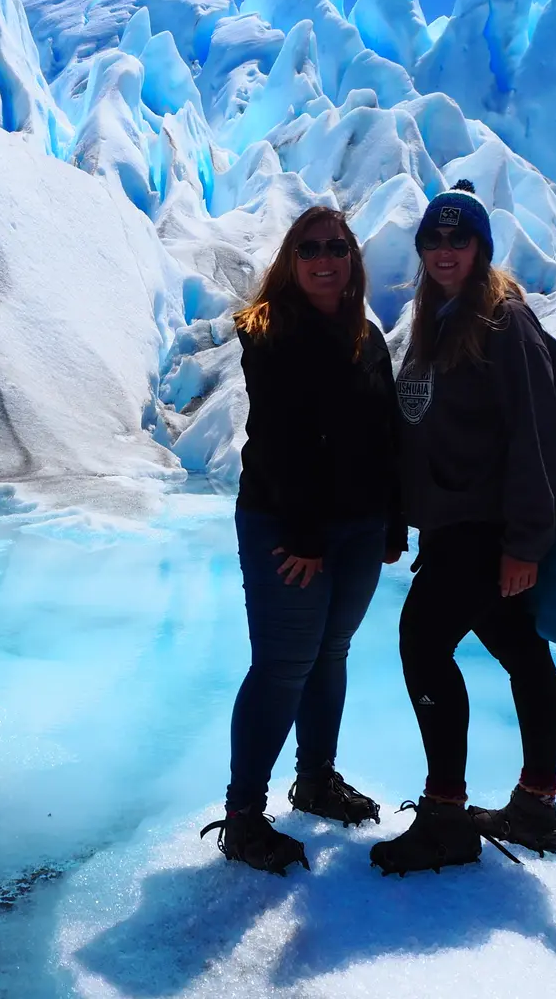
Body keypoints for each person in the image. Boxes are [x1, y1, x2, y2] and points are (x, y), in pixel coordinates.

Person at [369, 180, 556, 878]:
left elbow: (533, 432)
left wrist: (525, 542)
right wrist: (400, 517)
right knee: (520, 651)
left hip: (485, 532)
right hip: (455, 527)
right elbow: (417, 434)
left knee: (423, 648)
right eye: (434, 239)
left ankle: (446, 818)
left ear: (482, 246)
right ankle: (535, 808)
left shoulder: (501, 321)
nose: (445, 250)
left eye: (459, 238)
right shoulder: (441, 318)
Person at [201, 206, 407, 875]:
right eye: (311, 248)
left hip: (356, 527)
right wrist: (306, 537)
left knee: (330, 654)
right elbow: (288, 443)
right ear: (291, 260)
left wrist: (392, 518)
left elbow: (383, 436)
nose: (326, 258)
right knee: (284, 665)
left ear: (353, 260)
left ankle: (316, 780)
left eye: (338, 247)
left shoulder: (366, 337)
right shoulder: (273, 334)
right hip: (289, 530)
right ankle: (242, 818)